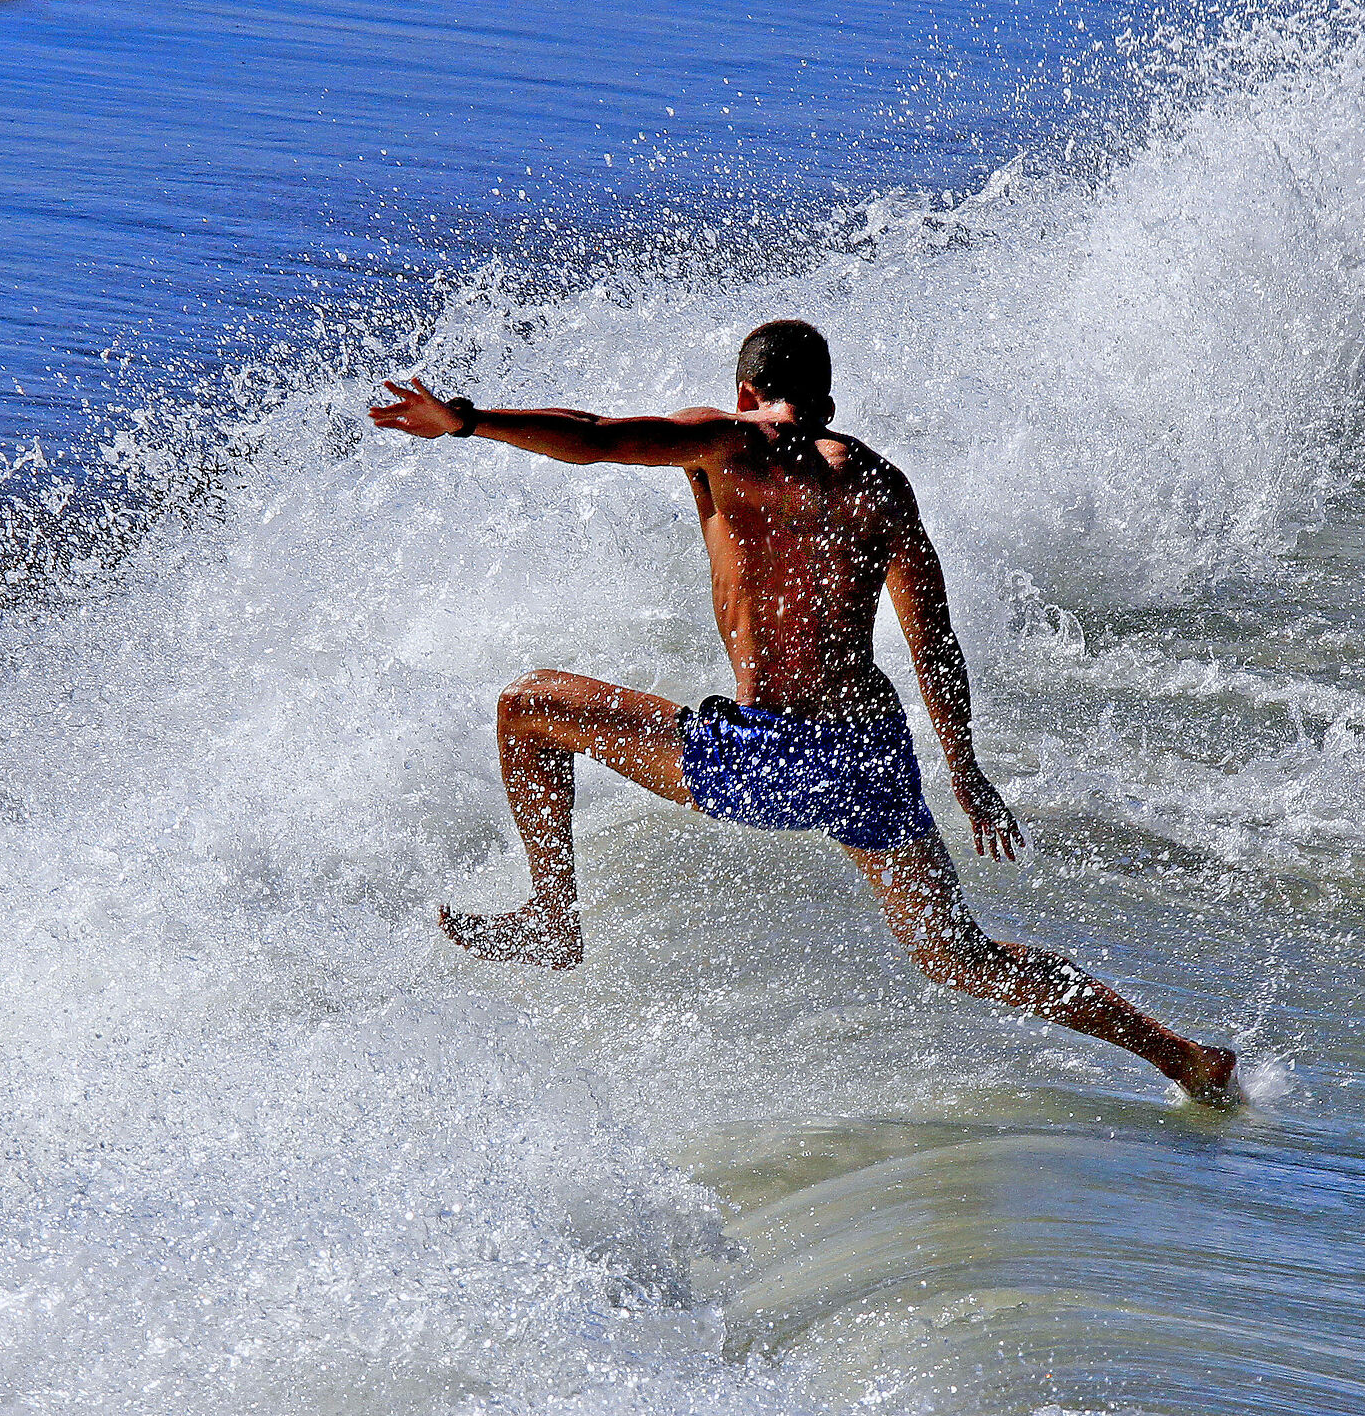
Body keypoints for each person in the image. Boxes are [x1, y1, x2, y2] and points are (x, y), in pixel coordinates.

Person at [369, 319, 1239, 1104]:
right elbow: (932, 642)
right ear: (826, 395)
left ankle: (553, 919)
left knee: (527, 707)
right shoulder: (882, 487)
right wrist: (963, 770)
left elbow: (596, 439)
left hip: (777, 755)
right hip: (872, 757)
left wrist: (469, 420)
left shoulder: (729, 443)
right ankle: (1182, 1056)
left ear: (748, 390)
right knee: (960, 955)